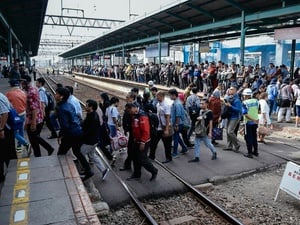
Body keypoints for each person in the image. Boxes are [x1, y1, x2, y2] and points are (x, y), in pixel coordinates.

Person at [55, 87, 94, 181]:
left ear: (61, 96)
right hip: (78, 131)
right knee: (77, 152)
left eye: (57, 93)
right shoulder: (69, 105)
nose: (55, 95)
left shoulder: (61, 108)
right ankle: (88, 170)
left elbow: (64, 125)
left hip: (70, 134)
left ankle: (62, 173)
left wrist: (60, 135)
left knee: (61, 154)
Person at [21, 75, 54, 157]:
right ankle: (40, 153)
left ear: (26, 82)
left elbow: (34, 108)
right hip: (35, 118)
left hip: (34, 119)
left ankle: (48, 148)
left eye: (22, 81)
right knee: (34, 138)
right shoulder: (32, 89)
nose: (20, 83)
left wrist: (33, 123)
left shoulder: (30, 92)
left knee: (33, 138)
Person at [126, 103, 158, 181]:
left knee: (142, 159)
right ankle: (136, 174)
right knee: (135, 157)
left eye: (129, 110)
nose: (128, 112)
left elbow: (146, 131)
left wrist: (143, 142)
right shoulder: (135, 115)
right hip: (136, 140)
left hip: (143, 141)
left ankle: (154, 171)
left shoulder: (142, 116)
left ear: (133, 108)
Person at [81, 99, 109, 180]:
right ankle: (104, 170)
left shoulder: (92, 117)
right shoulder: (92, 114)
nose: (85, 107)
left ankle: (87, 170)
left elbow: (89, 130)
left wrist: (81, 135)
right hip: (94, 140)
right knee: (92, 155)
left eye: (86, 105)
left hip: (90, 141)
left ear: (91, 107)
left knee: (80, 154)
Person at [6, 79, 31, 155]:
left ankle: (26, 144)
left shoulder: (9, 94)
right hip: (23, 113)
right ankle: (19, 147)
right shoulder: (23, 92)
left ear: (11, 85)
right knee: (21, 130)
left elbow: (7, 105)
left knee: (13, 132)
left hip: (14, 115)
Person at [149, 91, 173, 163]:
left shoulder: (166, 105)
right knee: (153, 143)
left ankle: (168, 158)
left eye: (157, 96)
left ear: (161, 96)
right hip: (158, 127)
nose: (156, 97)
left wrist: (166, 129)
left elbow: (167, 117)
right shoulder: (158, 104)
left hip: (165, 127)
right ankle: (151, 156)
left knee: (167, 144)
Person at [0, 92, 17, 182]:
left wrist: (1, 129)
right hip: (7, 128)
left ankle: (13, 174)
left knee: (7, 152)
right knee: (6, 151)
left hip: (5, 129)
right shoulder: (2, 95)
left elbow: (5, 113)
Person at [168, 88, 188, 157]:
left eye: (170, 95)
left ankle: (175, 153)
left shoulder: (177, 104)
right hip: (177, 123)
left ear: (173, 95)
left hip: (178, 123)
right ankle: (184, 148)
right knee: (176, 136)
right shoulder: (176, 102)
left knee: (176, 137)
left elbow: (178, 115)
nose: (169, 97)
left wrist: (176, 124)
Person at [223, 85, 242, 152]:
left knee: (230, 131)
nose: (230, 90)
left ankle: (237, 144)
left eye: (232, 89)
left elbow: (239, 110)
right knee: (228, 132)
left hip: (235, 117)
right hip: (229, 116)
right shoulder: (229, 98)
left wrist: (230, 106)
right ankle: (229, 146)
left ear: (235, 91)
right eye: (230, 89)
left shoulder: (237, 100)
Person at [242, 88, 259, 158]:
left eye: (244, 95)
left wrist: (252, 119)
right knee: (254, 137)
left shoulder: (245, 103)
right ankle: (255, 151)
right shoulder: (256, 101)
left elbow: (245, 114)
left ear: (246, 96)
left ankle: (249, 153)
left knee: (248, 138)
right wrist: (255, 120)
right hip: (255, 122)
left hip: (248, 122)